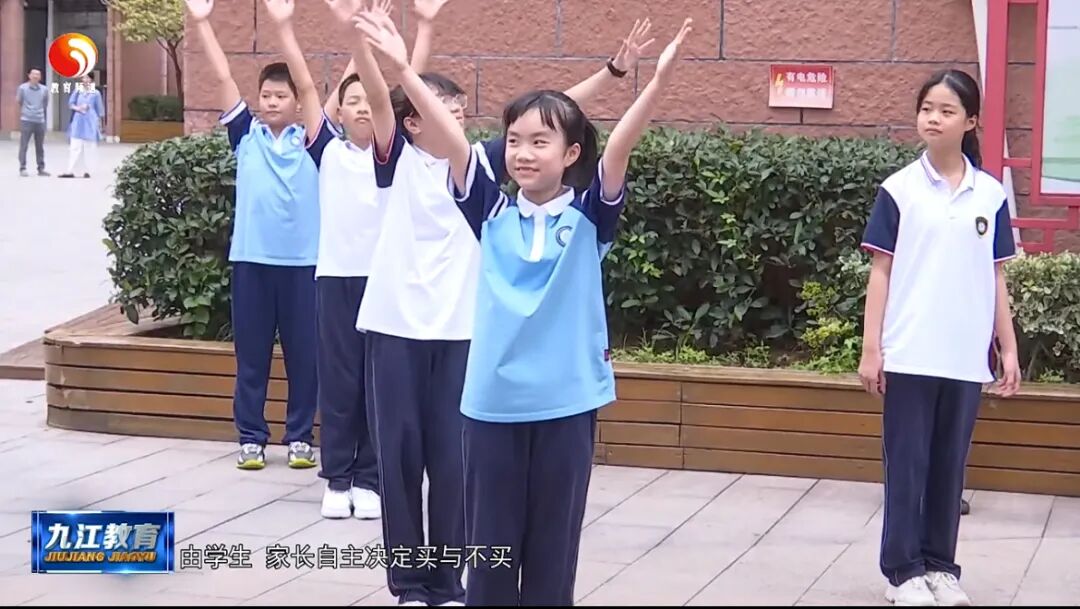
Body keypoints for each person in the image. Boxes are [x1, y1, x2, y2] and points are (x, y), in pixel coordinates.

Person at [357, 9, 691, 606]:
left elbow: (619, 146)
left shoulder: (589, 217)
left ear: (570, 154)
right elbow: (451, 140)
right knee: (490, 552)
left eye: (540, 142)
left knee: (551, 553)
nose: (523, 153)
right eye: (513, 141)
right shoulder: (489, 212)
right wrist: (404, 70)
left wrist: (659, 82)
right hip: (492, 407)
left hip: (567, 404)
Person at [857, 68, 1022, 607]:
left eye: (947, 111)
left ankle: (940, 567)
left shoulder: (990, 195)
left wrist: (1008, 347)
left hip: (964, 357)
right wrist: (871, 348)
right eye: (927, 108)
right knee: (907, 467)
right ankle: (902, 572)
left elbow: (996, 276)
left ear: (970, 121)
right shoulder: (899, 190)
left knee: (949, 469)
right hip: (910, 352)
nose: (933, 118)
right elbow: (880, 271)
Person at [186, 0, 320, 471]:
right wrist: (202, 23)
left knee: (305, 357)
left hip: (304, 265)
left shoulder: (315, 142)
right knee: (252, 358)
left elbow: (314, 87)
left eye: (281, 95)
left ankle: (300, 437)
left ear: (298, 102)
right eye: (266, 94)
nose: (271, 101)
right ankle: (251, 437)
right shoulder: (246, 135)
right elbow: (223, 77)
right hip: (252, 264)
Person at [59, 74, 104, 179]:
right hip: (78, 120)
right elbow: (71, 104)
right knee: (75, 146)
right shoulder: (78, 91)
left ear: (92, 80)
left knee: (89, 147)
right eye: (84, 78)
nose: (85, 80)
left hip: (90, 121)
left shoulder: (96, 93)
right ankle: (71, 170)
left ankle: (88, 171)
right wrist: (77, 108)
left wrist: (99, 124)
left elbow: (100, 110)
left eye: (88, 78)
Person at [17, 68, 49, 177]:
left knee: (40, 146)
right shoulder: (22, 88)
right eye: (34, 74)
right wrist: (28, 111)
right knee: (24, 145)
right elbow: (19, 101)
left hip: (40, 120)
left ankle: (41, 168)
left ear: (40, 77)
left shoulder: (44, 89)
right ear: (29, 75)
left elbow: (45, 103)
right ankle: (22, 168)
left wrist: (39, 112)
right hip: (26, 120)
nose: (35, 76)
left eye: (38, 74)